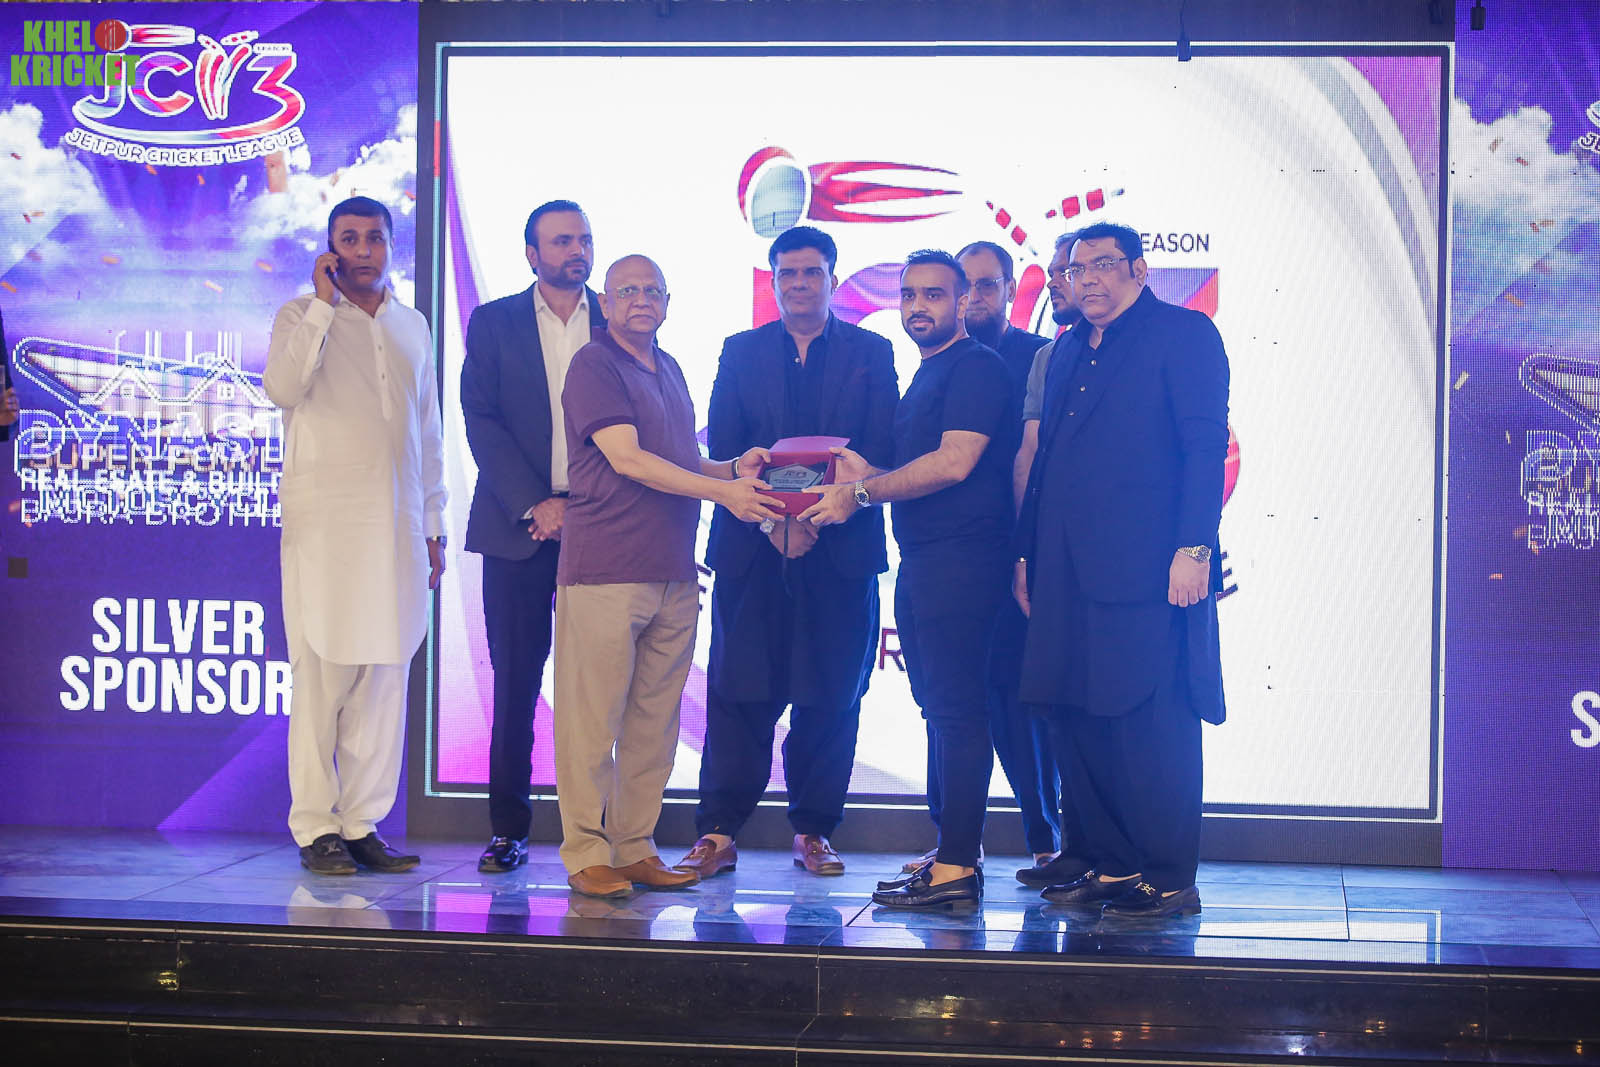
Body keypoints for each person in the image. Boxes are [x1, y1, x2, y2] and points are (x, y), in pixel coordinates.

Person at [1015, 221, 1229, 920]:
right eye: (1078, 270)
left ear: (1139, 269)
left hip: (1151, 569)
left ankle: (1168, 876)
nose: (1089, 280)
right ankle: (1108, 862)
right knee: (1076, 713)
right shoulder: (1067, 347)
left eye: (1105, 265)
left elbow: (1205, 449)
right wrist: (1026, 553)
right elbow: (1046, 463)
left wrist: (1195, 549)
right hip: (1064, 569)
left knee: (1152, 721)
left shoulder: (1184, 334)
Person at [554, 254, 783, 898]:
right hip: (605, 571)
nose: (641, 300)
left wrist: (731, 469)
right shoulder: (594, 364)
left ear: (667, 302)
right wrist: (725, 496)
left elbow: (678, 459)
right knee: (592, 724)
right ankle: (585, 853)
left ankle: (633, 847)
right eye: (627, 290)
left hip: (674, 572)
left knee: (653, 726)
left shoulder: (671, 366)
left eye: (653, 290)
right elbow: (628, 460)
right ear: (604, 303)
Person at [676, 226, 898, 882]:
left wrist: (817, 520)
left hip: (841, 549)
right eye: (788, 274)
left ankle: (815, 831)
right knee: (738, 691)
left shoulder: (872, 352)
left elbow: (881, 446)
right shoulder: (740, 351)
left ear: (833, 278)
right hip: (754, 545)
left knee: (832, 694)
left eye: (812, 272)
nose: (800, 284)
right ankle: (718, 832)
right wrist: (778, 524)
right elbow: (728, 446)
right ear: (773, 281)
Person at [800, 250, 1012, 909]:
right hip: (924, 561)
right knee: (941, 710)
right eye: (909, 294)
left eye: (935, 295)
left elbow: (953, 463)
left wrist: (861, 491)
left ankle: (957, 869)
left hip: (964, 564)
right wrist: (857, 472)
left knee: (959, 711)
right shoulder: (929, 371)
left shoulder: (976, 366)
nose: (919, 306)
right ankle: (952, 851)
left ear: (963, 301)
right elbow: (912, 466)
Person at [264, 196, 446, 875]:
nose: (364, 250)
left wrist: (433, 525)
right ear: (330, 249)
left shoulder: (412, 325)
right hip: (327, 532)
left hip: (397, 531)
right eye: (349, 238)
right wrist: (321, 305)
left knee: (383, 679)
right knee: (322, 680)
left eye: (375, 238)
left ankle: (362, 823)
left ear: (391, 246)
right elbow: (283, 389)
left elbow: (427, 432)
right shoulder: (299, 316)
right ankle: (316, 827)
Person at [461, 200, 605, 874]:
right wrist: (535, 504)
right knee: (517, 685)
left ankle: (599, 832)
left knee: (599, 688)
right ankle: (508, 830)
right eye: (562, 241)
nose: (577, 251)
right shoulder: (495, 322)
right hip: (518, 529)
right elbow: (481, 419)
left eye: (584, 239)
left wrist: (582, 506)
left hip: (603, 529)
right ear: (531, 254)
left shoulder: (616, 320)